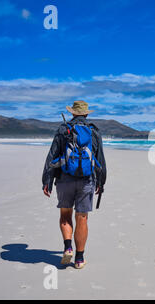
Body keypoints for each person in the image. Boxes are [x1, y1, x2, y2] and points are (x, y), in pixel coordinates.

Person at [42, 100, 106, 269]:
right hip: (87, 180)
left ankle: (68, 247)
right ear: (86, 114)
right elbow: (100, 159)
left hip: (64, 179)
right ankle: (79, 259)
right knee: (82, 218)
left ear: (72, 113)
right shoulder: (93, 131)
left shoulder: (63, 129)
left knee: (65, 215)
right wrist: (101, 181)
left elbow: (52, 156)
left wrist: (47, 180)